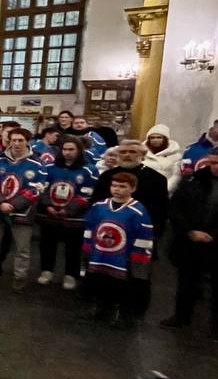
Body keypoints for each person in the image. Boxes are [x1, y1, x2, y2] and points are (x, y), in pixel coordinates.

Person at [161, 143, 218, 340]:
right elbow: (176, 207)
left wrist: (216, 235)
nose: (215, 167)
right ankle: (181, 316)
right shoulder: (194, 179)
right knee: (187, 282)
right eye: (212, 162)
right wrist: (189, 230)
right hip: (192, 241)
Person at [81, 172, 154, 329]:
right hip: (100, 255)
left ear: (133, 188)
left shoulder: (138, 211)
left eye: (122, 186)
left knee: (124, 287)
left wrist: (138, 259)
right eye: (114, 185)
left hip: (123, 258)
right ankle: (101, 308)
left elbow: (144, 236)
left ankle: (124, 316)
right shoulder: (99, 206)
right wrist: (87, 248)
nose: (117, 189)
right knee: (101, 281)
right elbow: (90, 227)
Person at [0, 129, 46, 290]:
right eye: (14, 140)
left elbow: (38, 188)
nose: (16, 143)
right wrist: (1, 203)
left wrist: (15, 205)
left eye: (20, 140)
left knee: (22, 248)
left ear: (27, 142)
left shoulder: (37, 164)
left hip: (23, 212)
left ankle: (19, 277)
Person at [37, 135, 96, 290]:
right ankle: (46, 270)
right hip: (49, 213)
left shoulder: (89, 170)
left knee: (73, 247)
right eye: (64, 149)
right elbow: (41, 188)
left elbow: (87, 193)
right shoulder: (49, 167)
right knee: (47, 244)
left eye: (71, 149)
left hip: (75, 217)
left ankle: (70, 274)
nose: (67, 152)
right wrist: (47, 206)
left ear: (79, 150)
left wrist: (68, 210)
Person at [92, 140, 169, 245]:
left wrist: (155, 233)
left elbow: (161, 209)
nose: (127, 155)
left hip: (140, 230)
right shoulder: (106, 176)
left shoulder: (157, 179)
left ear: (142, 155)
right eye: (123, 152)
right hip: (107, 229)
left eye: (132, 152)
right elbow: (96, 202)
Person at [142, 124, 182, 194]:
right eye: (152, 138)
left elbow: (176, 176)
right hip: (142, 191)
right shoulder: (141, 153)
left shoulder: (176, 156)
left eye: (159, 137)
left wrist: (164, 190)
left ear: (165, 139)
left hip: (164, 192)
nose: (155, 140)